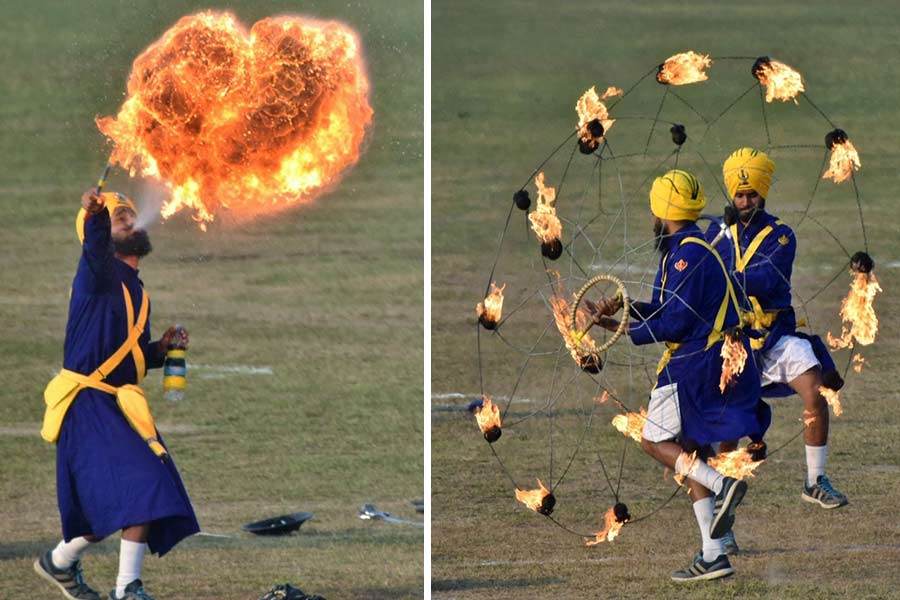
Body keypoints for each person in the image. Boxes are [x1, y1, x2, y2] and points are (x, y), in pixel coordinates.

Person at [586, 170, 769, 582]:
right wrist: (624, 312)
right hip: (712, 358)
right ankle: (713, 554)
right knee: (690, 452)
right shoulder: (689, 248)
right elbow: (669, 310)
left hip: (695, 363)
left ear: (661, 211)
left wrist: (629, 332)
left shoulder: (685, 254)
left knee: (654, 440)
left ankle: (721, 486)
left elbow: (677, 322)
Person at [35, 190, 199, 600]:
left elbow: (126, 359)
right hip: (86, 406)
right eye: (118, 218)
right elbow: (93, 242)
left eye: (128, 215)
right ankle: (127, 590)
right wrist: (94, 215)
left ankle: (58, 562)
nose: (129, 221)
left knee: (111, 502)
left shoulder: (136, 291)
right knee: (144, 485)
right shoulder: (98, 271)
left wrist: (159, 349)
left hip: (113, 402)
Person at [710, 148, 848, 511]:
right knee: (728, 431)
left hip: (775, 337)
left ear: (763, 193)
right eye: (739, 195)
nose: (744, 201)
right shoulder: (717, 232)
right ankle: (721, 507)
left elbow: (768, 279)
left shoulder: (781, 235)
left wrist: (721, 279)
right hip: (733, 343)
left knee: (814, 388)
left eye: (751, 194)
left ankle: (815, 480)